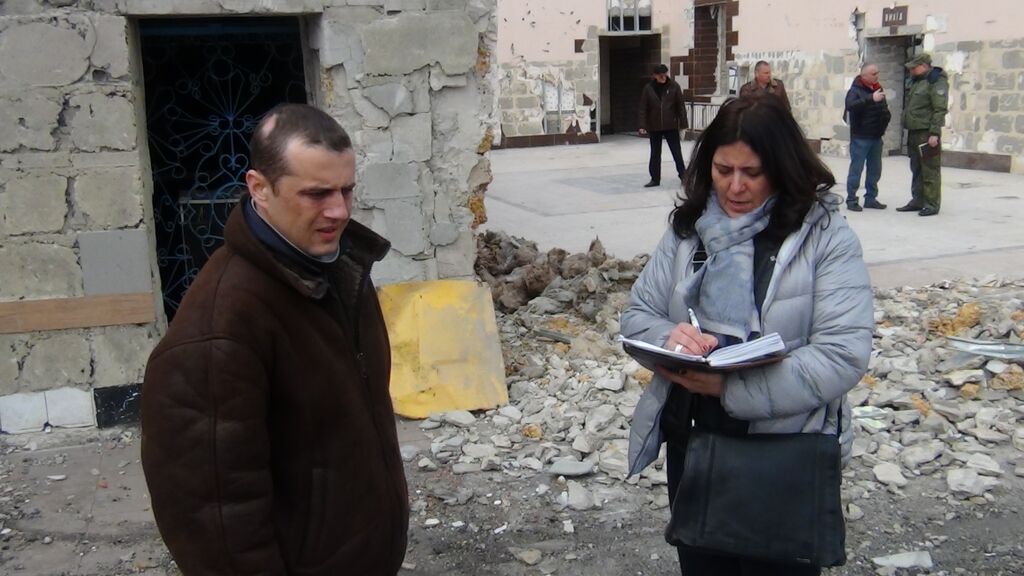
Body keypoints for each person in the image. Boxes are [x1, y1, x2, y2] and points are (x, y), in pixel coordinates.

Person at [140, 103, 409, 575]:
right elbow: (213, 521)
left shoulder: (339, 268)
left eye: (347, 190)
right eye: (316, 193)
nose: (339, 211)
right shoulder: (221, 327)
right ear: (259, 189)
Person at [623, 96, 873, 575]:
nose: (734, 187)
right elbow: (639, 314)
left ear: (781, 168)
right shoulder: (688, 230)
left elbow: (843, 354)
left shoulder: (825, 237)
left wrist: (731, 386)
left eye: (752, 173)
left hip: (784, 451)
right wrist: (671, 338)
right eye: (722, 169)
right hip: (695, 444)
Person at [897, 52, 948, 217]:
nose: (911, 71)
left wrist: (934, 132)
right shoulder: (917, 81)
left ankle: (932, 203)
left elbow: (939, 109)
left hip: (926, 132)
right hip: (914, 131)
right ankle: (918, 200)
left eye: (914, 68)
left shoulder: (936, 81)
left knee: (929, 169)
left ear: (923, 66)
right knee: (916, 168)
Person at [844, 63, 892, 211]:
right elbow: (851, 106)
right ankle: (852, 199)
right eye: (873, 73)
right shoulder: (855, 90)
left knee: (875, 169)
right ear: (864, 75)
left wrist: (886, 119)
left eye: (877, 72)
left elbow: (884, 108)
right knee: (856, 169)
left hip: (876, 136)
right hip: (861, 137)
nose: (876, 76)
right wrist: (871, 98)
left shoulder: (878, 88)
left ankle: (871, 198)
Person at [639, 63, 688, 187]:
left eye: (665, 73)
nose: (663, 76)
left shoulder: (674, 87)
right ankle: (655, 178)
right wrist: (642, 125)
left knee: (676, 152)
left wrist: (683, 123)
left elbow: (680, 106)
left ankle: (684, 176)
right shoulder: (648, 88)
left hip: (670, 124)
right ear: (655, 76)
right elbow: (643, 108)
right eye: (660, 75)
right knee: (655, 153)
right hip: (654, 125)